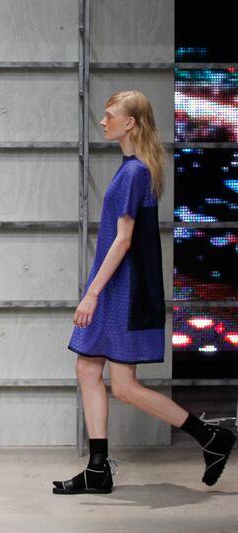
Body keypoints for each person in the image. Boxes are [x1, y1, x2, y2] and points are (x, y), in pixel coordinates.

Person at [54, 90, 235, 495]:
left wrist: (92, 294)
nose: (103, 121)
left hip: (124, 289)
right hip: (118, 285)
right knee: (88, 369)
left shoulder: (134, 173)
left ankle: (210, 436)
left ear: (130, 123)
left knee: (123, 386)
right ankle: (98, 469)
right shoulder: (133, 169)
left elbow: (123, 241)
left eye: (110, 115)